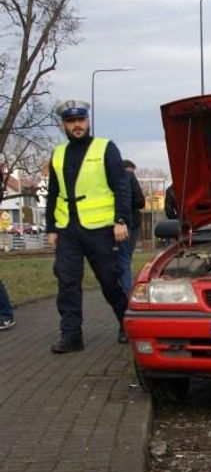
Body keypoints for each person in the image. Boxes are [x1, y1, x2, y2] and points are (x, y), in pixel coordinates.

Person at [45, 99, 131, 352]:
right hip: (67, 229)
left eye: (81, 120)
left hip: (101, 228)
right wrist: (51, 227)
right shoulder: (58, 154)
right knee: (67, 283)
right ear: (63, 125)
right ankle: (71, 336)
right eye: (71, 122)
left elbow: (121, 186)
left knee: (109, 281)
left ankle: (127, 323)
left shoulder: (105, 148)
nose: (77, 125)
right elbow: (53, 193)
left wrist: (121, 220)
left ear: (88, 121)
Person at [119, 159, 146, 294]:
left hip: (115, 222)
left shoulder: (112, 178)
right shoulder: (130, 176)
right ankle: (127, 290)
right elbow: (140, 201)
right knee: (126, 256)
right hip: (132, 221)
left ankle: (120, 286)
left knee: (119, 256)